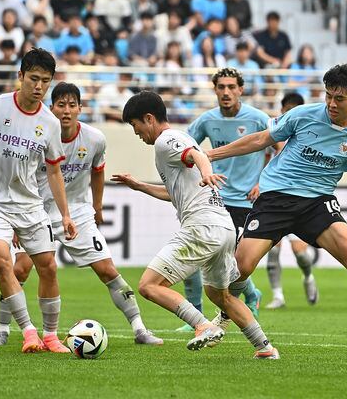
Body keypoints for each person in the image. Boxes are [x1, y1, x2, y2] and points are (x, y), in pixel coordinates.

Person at [206, 60, 347, 359]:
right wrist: (210, 154)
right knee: (242, 266)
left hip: (317, 203)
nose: (331, 103)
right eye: (328, 95)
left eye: (339, 98)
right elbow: (262, 139)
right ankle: (226, 315)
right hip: (276, 198)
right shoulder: (303, 115)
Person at [0, 82, 163, 346]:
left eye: (72, 105)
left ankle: (140, 329)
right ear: (52, 108)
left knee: (107, 270)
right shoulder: (37, 136)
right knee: (21, 269)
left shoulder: (94, 139)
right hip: (37, 211)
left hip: (78, 213)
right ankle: (2, 329)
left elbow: (98, 172)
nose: (66, 111)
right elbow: (20, 177)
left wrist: (97, 207)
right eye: (61, 105)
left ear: (80, 108)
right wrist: (16, 219)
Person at [112, 90, 280, 359]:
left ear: (149, 118)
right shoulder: (180, 138)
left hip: (202, 227)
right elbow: (175, 192)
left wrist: (207, 173)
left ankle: (202, 325)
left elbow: (198, 156)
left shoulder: (166, 141)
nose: (137, 133)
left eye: (135, 126)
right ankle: (265, 348)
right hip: (222, 226)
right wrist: (139, 186)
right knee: (221, 296)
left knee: (149, 285)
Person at [0, 48, 78, 353]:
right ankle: (29, 332)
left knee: (48, 267)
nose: (39, 86)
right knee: (1, 259)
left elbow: (54, 171)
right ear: (20, 76)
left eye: (45, 81)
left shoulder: (50, 123)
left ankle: (51, 337)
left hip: (29, 204)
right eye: (33, 78)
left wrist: (65, 214)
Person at [177, 67, 269, 332]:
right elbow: (186, 148)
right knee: (195, 253)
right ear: (215, 90)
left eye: (231, 87)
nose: (226, 92)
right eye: (221, 87)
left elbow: (281, 150)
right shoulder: (207, 120)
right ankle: (196, 316)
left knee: (230, 262)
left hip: (245, 201)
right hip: (214, 198)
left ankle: (249, 295)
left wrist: (262, 182)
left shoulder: (258, 119)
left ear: (241, 89)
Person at [265, 92, 319, 310]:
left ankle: (308, 276)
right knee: (273, 250)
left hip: (299, 201)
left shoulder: (309, 135)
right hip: (274, 199)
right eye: (287, 110)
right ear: (282, 111)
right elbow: (263, 160)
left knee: (301, 254)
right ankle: (278, 295)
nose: (290, 114)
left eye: (294, 110)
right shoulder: (274, 133)